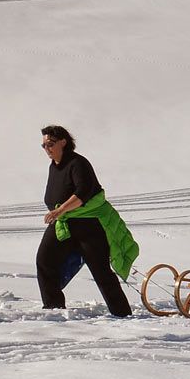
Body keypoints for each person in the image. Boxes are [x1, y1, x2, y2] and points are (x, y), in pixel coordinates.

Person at [35, 125, 138, 317]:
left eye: (50, 144)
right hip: (64, 223)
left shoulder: (78, 163)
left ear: (63, 142)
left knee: (100, 270)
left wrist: (60, 209)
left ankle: (122, 314)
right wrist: (59, 212)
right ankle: (53, 308)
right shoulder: (54, 166)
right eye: (44, 146)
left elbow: (84, 192)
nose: (47, 149)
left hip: (89, 224)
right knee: (44, 260)